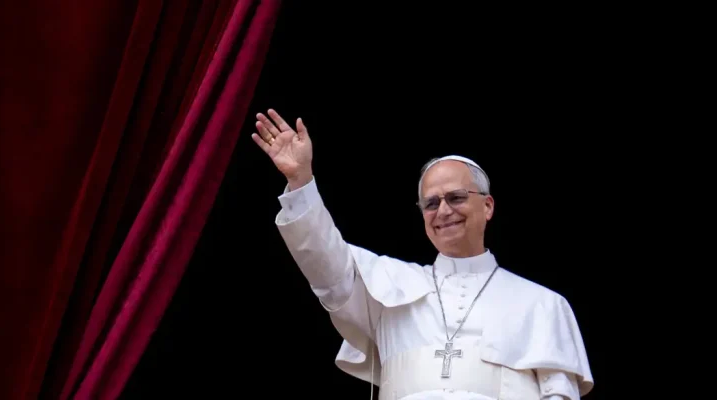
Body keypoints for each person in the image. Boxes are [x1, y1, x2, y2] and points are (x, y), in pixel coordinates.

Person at [251, 109, 594, 400]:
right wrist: (301, 182)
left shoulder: (542, 305)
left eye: (456, 197)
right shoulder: (387, 291)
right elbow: (326, 265)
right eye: (431, 203)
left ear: (487, 206)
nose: (443, 211)